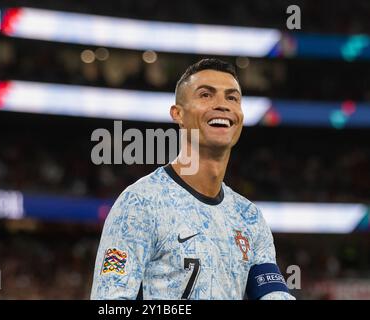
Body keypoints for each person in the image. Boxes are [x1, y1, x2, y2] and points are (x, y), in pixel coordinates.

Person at [90, 58, 295, 300]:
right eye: (206, 95)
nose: (222, 105)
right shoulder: (140, 203)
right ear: (178, 114)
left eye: (232, 98)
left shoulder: (249, 218)